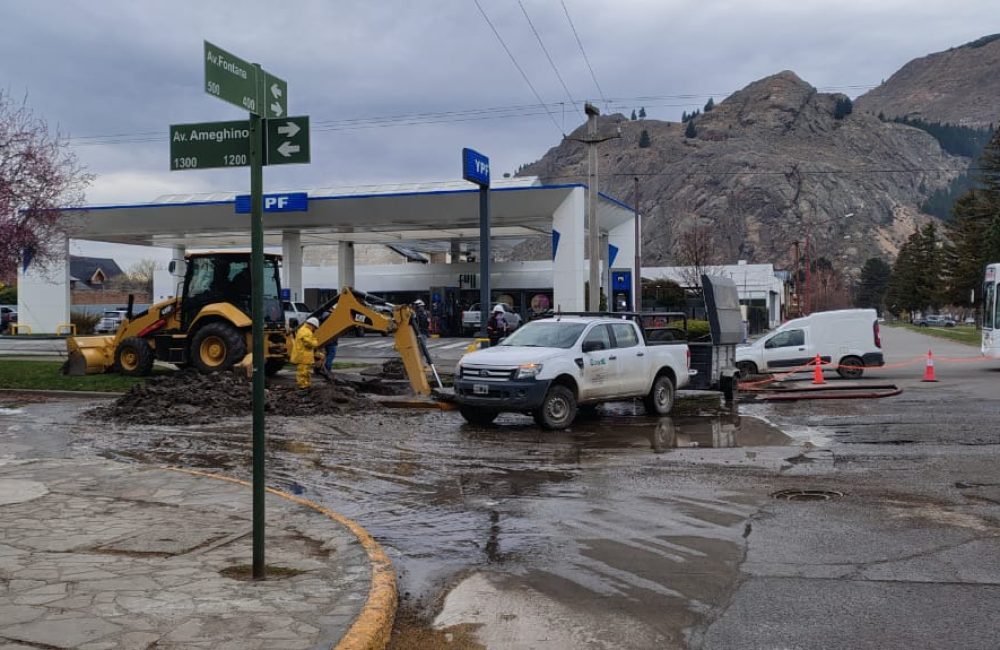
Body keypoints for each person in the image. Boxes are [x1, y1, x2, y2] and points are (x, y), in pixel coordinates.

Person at [291, 317, 320, 389]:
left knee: (305, 372)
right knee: (303, 372)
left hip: (305, 356)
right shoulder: (306, 331)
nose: (314, 329)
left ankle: (306, 384)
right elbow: (309, 343)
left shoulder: (304, 330)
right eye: (315, 328)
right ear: (312, 325)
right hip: (303, 356)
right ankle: (303, 386)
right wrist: (315, 342)